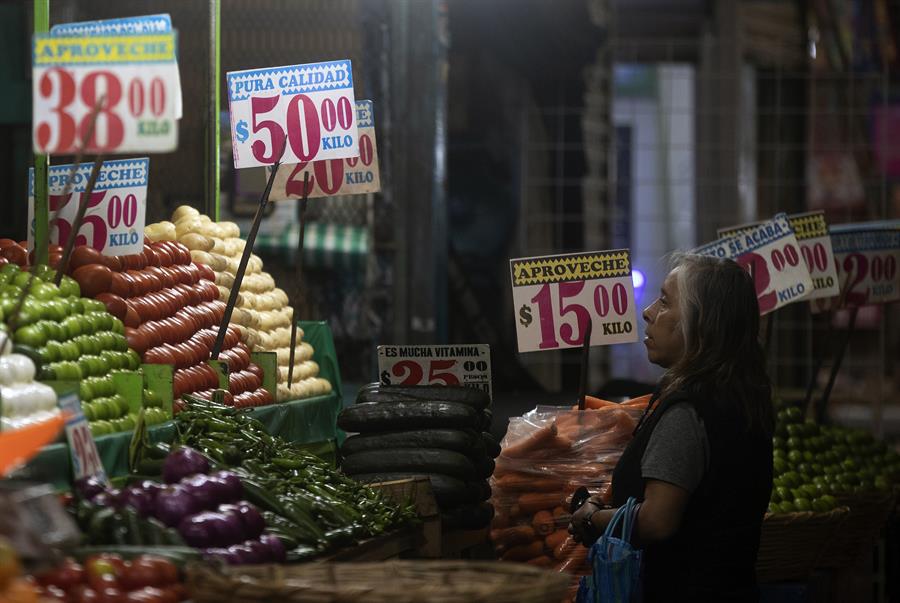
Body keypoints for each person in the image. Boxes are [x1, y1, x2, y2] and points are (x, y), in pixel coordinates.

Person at [568, 253, 774, 602]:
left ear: (700, 325)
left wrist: (592, 518)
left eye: (664, 301)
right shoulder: (742, 395)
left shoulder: (689, 410)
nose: (648, 312)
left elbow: (657, 521)